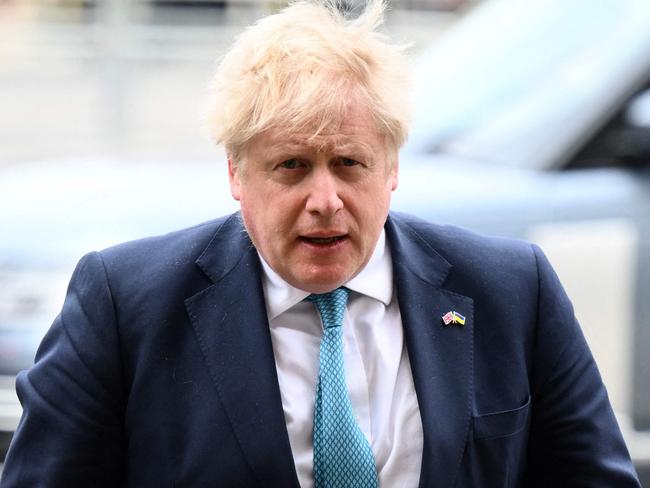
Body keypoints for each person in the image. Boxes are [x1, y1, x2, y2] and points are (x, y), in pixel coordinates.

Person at [0, 1, 641, 486]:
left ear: (391, 168)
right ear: (235, 173)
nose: (326, 199)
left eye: (349, 164)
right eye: (291, 166)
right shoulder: (125, 304)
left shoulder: (509, 289)